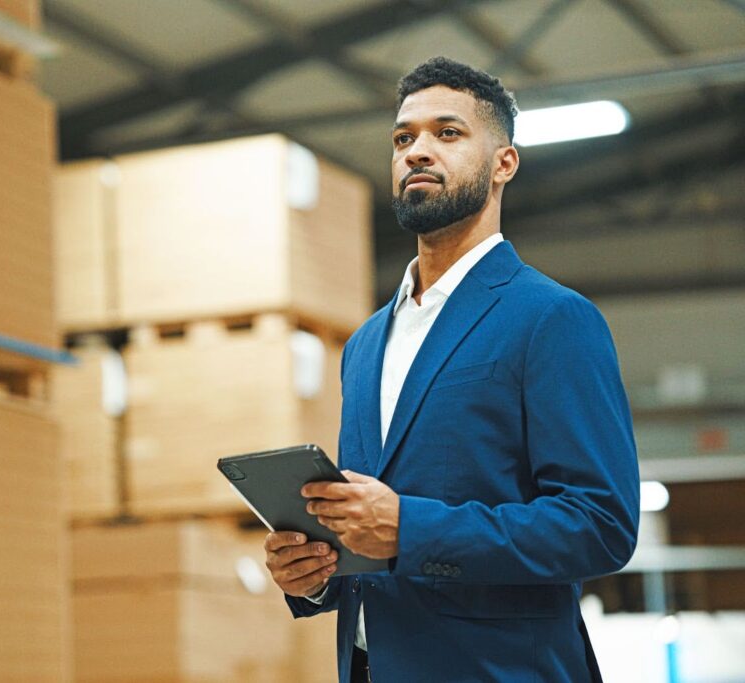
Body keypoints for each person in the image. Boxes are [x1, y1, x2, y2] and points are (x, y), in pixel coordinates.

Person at [262, 57, 639, 682]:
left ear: (503, 164)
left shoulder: (551, 318)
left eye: (448, 133)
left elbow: (600, 525)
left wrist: (410, 526)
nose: (417, 151)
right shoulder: (363, 345)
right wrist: (314, 575)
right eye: (403, 138)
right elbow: (370, 526)